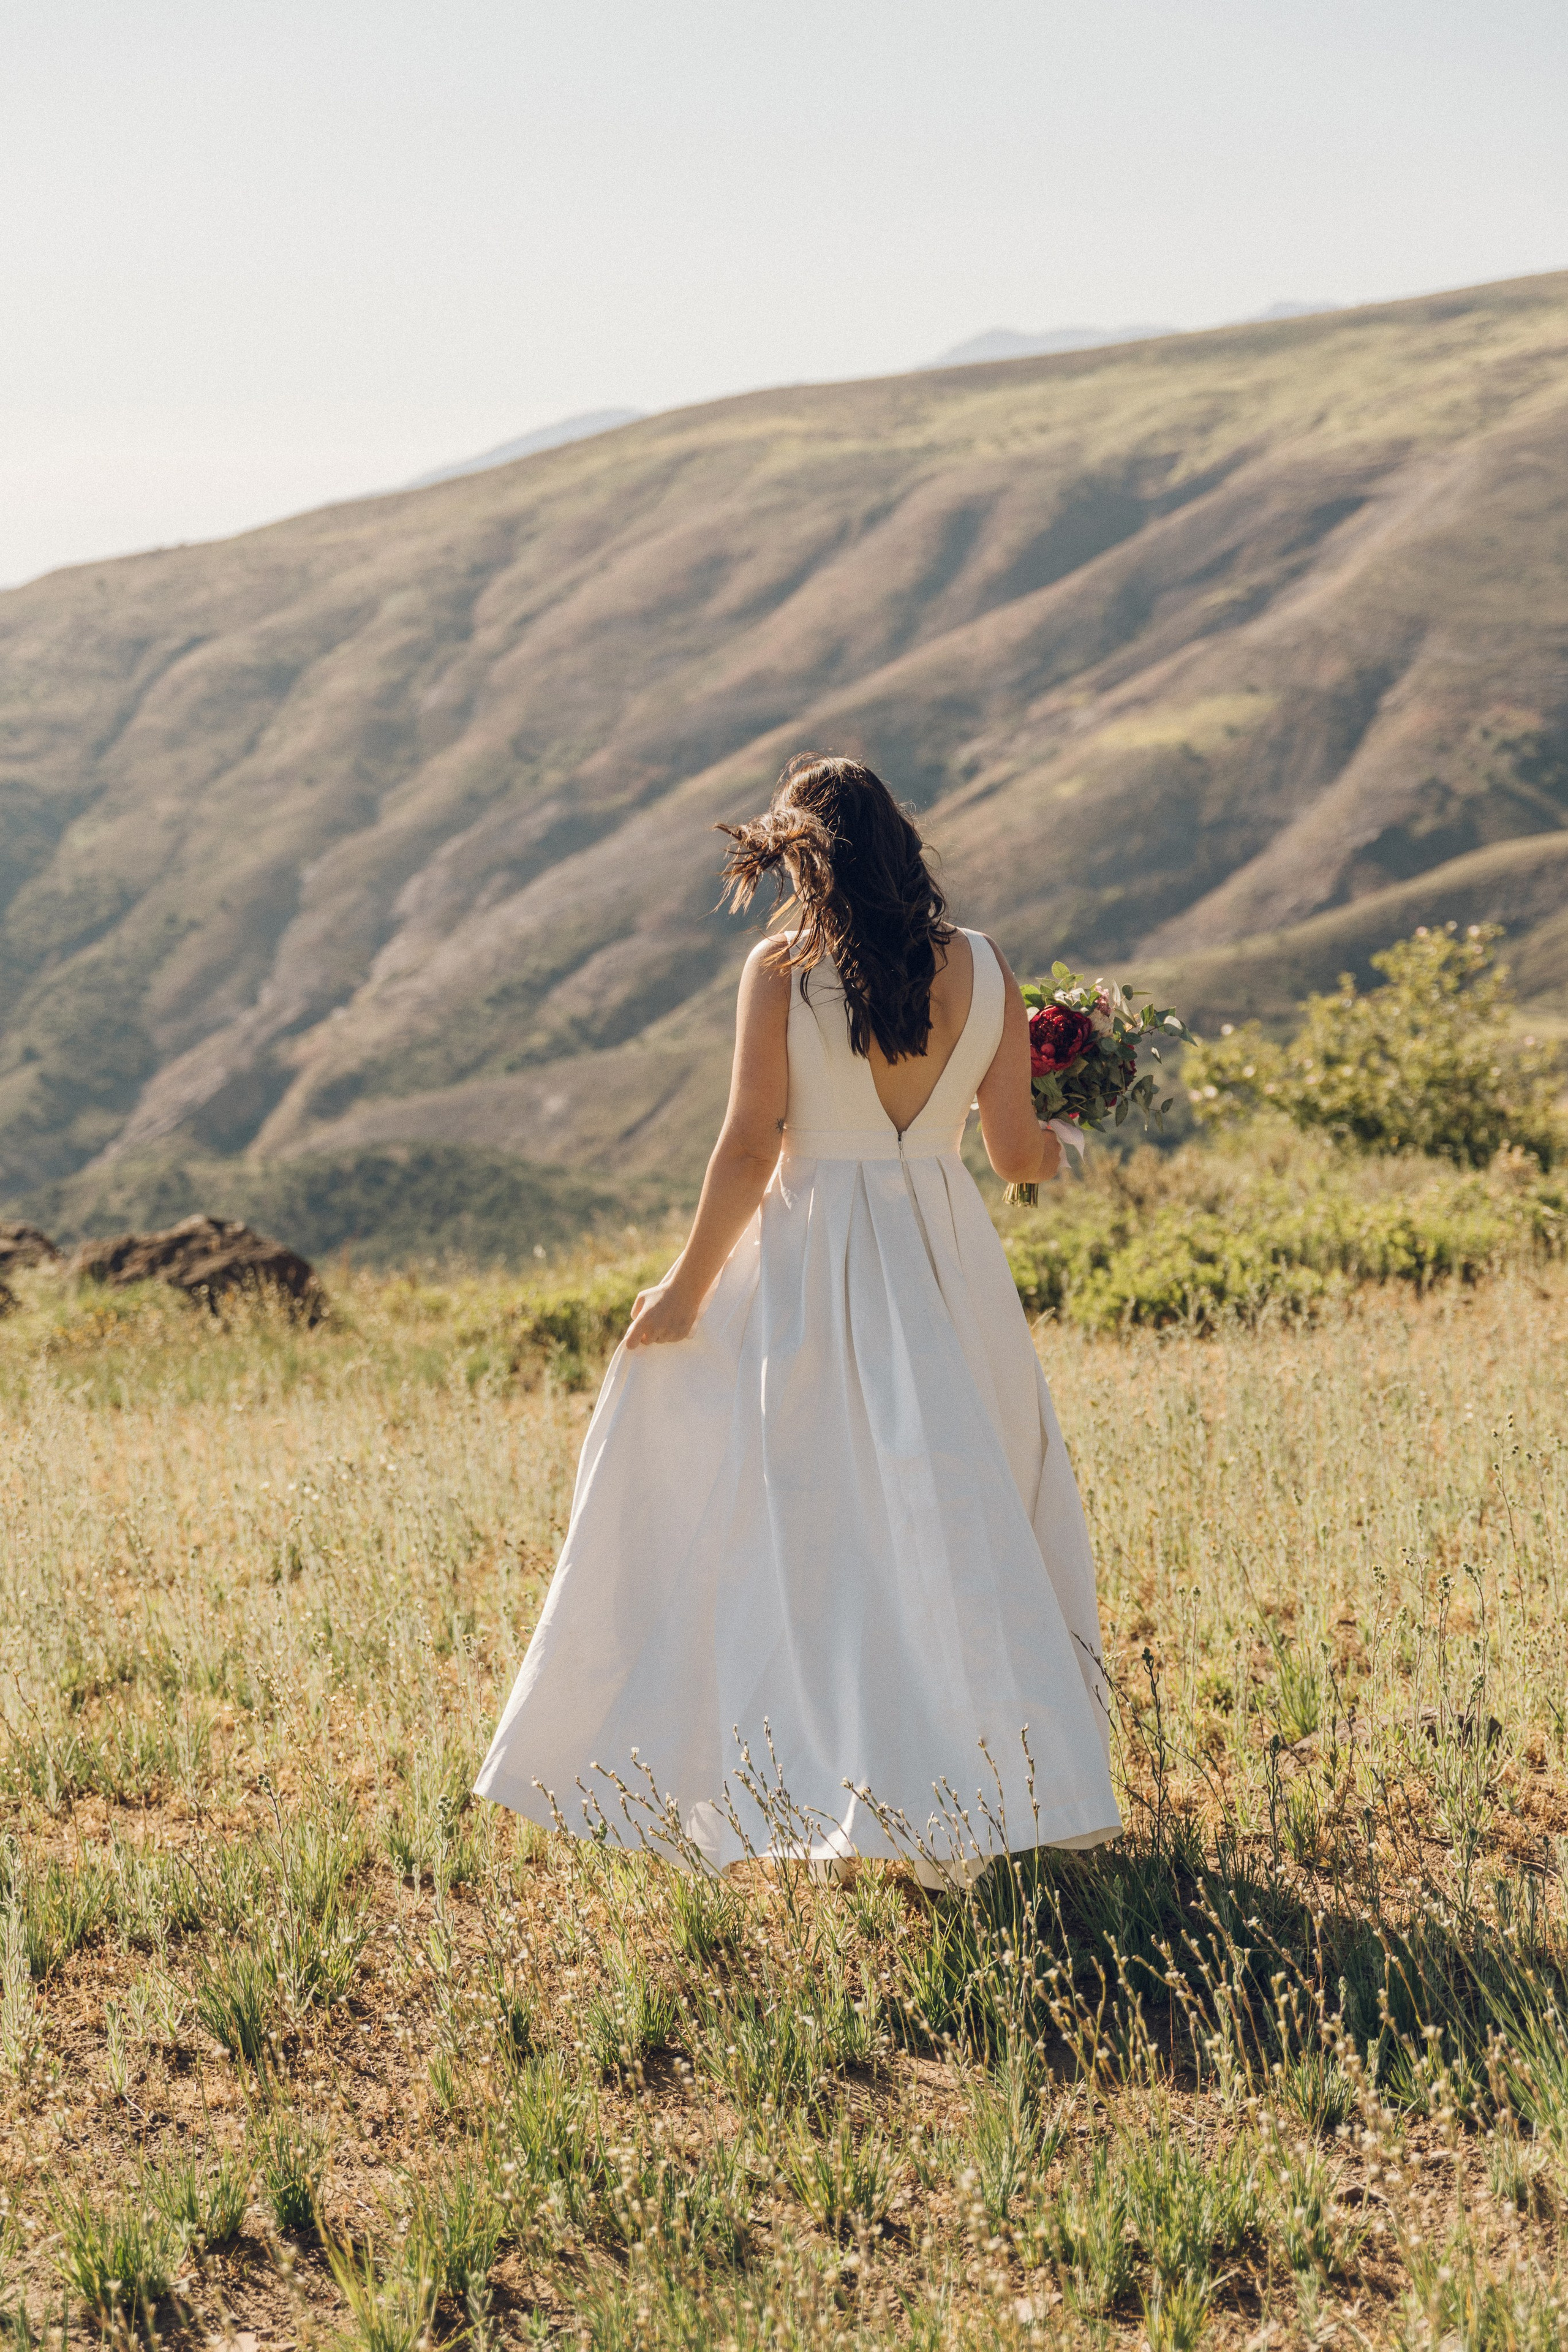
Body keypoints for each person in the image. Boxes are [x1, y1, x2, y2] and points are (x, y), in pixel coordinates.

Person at [474, 754, 1121, 1874]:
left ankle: (845, 1779)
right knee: (968, 1512)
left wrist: (683, 1291)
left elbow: (748, 1145)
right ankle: (1012, 1784)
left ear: (804, 855)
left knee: (817, 1525)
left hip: (818, 1260)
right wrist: (1066, 1129)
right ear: (904, 843)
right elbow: (1017, 1160)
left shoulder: (784, 971)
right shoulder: (986, 967)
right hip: (946, 1262)